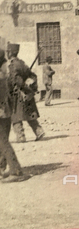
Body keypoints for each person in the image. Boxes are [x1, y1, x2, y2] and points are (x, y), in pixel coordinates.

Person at [0, 48, 29, 183]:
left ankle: (16, 171)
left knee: (3, 141)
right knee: (2, 140)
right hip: (6, 110)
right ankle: (1, 167)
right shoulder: (7, 70)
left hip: (1, 111)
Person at [7, 43, 45, 142]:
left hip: (18, 95)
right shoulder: (22, 63)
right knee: (29, 114)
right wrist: (29, 89)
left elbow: (16, 80)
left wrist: (22, 86)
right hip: (27, 94)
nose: (7, 53)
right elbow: (32, 76)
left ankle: (21, 136)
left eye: (8, 52)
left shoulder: (12, 65)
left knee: (15, 116)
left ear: (11, 53)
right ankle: (39, 131)